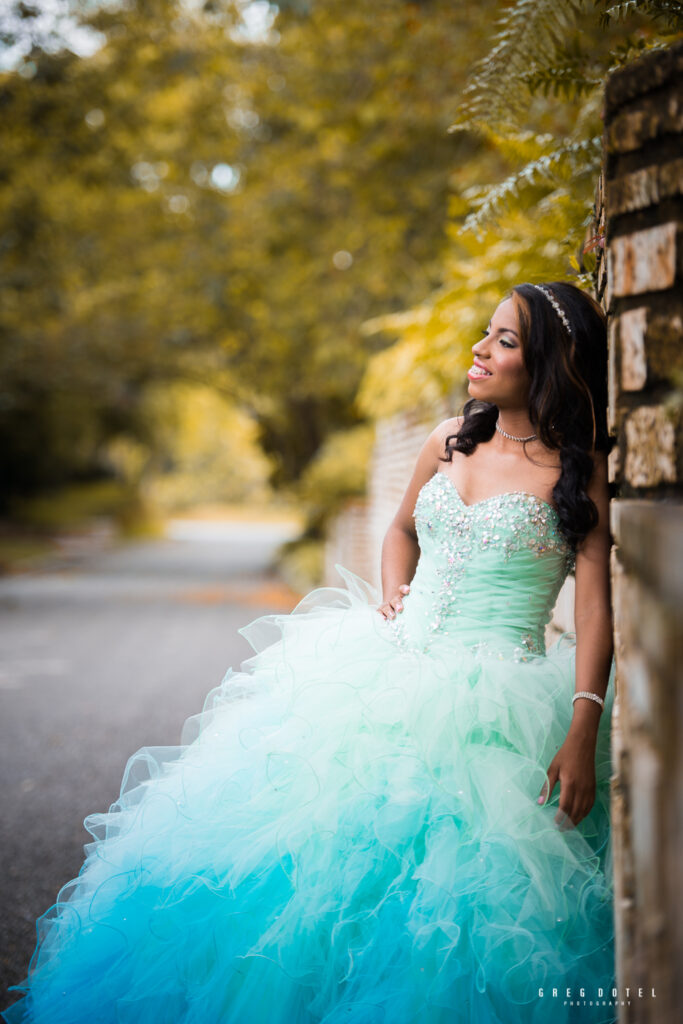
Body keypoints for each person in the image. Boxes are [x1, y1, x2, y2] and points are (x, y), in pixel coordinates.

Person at [3, 281, 616, 1024]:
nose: (480, 350)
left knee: (448, 913)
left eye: (505, 341)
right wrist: (394, 592)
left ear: (550, 363)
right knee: (302, 880)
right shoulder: (448, 438)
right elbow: (399, 530)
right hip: (381, 676)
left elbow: (593, 604)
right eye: (484, 334)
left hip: (499, 710)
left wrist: (582, 723)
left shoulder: (576, 475)